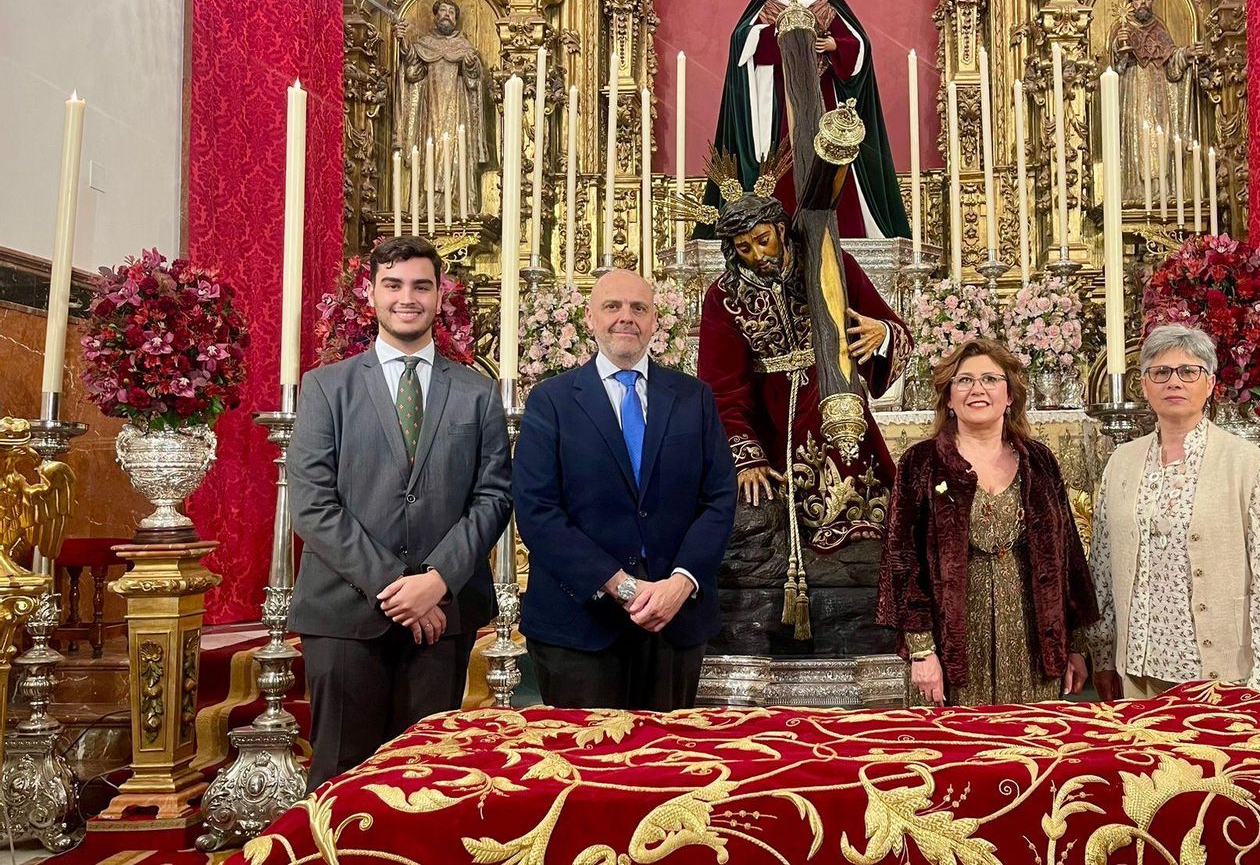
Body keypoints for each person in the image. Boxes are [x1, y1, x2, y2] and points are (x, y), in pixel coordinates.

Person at [288, 236, 511, 787]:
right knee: (340, 774)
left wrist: (437, 581)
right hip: (343, 612)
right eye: (393, 285)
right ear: (371, 294)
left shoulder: (478, 393)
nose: (406, 298)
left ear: (439, 297)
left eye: (420, 286)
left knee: (427, 778)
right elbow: (313, 505)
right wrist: (398, 587)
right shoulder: (326, 387)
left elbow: (493, 497)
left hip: (443, 615)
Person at [514, 269, 737, 710]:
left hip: (674, 622)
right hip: (579, 626)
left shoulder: (694, 398)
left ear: (655, 320)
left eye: (639, 308)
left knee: (668, 753)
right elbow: (537, 509)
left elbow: (719, 499)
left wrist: (681, 582)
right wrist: (621, 586)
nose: (626, 317)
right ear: (590, 318)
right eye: (612, 306)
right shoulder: (551, 400)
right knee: (587, 754)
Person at [1082, 324, 1260, 700]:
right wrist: (1103, 655)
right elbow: (1102, 567)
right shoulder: (1122, 461)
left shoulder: (1244, 461)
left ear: (1210, 383)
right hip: (1137, 673)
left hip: (1221, 676)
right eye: (1160, 372)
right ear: (1144, 385)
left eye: (1188, 371)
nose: (1174, 382)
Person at [875, 339, 1099, 705]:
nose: (977, 389)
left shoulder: (1039, 461)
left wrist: (1073, 644)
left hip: (1031, 643)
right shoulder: (922, 462)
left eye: (991, 379)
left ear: (1009, 396)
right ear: (949, 398)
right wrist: (921, 650)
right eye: (964, 380)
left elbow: (1067, 555)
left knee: (1030, 736)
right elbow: (902, 563)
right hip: (951, 646)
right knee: (956, 739)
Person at [697, 182, 909, 555]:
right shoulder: (724, 297)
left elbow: (891, 327)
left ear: (780, 229)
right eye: (744, 248)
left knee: (877, 528)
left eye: (763, 241)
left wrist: (882, 333)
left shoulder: (832, 264)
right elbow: (720, 387)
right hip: (771, 420)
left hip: (835, 396)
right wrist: (747, 457)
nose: (758, 255)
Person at [699, 0, 910, 239]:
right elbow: (742, 41)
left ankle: (840, 233)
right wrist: (779, 36)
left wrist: (835, 45)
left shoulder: (826, 10)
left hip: (823, 102)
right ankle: (780, 232)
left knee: (828, 158)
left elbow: (859, 44)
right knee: (784, 159)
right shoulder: (769, 12)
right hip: (780, 106)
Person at [396, 0, 491, 213]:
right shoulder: (425, 45)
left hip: (458, 113)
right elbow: (412, 72)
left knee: (458, 154)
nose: (447, 14)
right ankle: (428, 206)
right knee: (430, 153)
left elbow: (473, 81)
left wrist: (470, 66)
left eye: (451, 12)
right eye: (443, 11)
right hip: (430, 112)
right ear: (436, 16)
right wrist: (402, 42)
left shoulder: (464, 47)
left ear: (456, 19)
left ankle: (458, 204)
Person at [1112, 0, 1198, 203]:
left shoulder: (1159, 28)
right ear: (1131, 4)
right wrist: (1119, 45)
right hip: (1134, 88)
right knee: (1137, 135)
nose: (1143, 2)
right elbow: (1116, 66)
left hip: (1159, 88)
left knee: (1161, 135)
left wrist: (1186, 53)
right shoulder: (1124, 28)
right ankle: (1137, 190)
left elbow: (1172, 62)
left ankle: (1162, 190)